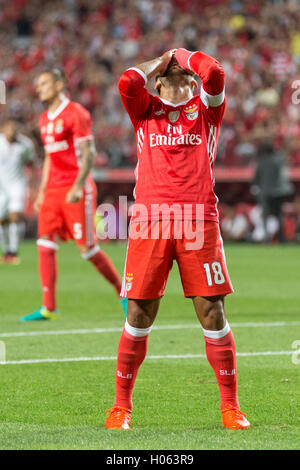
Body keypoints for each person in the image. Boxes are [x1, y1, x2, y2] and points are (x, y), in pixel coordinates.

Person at [104, 49, 250, 430]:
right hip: (150, 221)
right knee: (138, 314)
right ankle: (121, 408)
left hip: (199, 220)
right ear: (156, 83)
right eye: (168, 76)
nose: (178, 79)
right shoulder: (144, 109)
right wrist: (160, 60)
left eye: (184, 75)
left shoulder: (206, 111)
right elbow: (126, 81)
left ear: (192, 83)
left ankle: (231, 408)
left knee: (213, 312)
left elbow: (215, 72)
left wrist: (181, 55)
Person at [20, 68, 124, 321]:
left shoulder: (76, 113)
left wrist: (78, 185)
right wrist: (42, 190)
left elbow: (88, 152)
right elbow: (49, 157)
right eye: (38, 84)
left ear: (59, 85)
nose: (39, 88)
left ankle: (124, 292)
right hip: (53, 190)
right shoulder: (44, 118)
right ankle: (49, 307)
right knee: (44, 243)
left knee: (88, 250)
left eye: (44, 82)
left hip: (75, 187)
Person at [0, 118, 35, 265]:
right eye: (9, 128)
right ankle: (6, 251)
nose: (12, 131)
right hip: (1, 187)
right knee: (1, 220)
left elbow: (31, 164)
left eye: (15, 128)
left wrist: (32, 186)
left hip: (17, 185)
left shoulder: (25, 144)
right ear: (4, 128)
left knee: (15, 217)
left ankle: (14, 252)